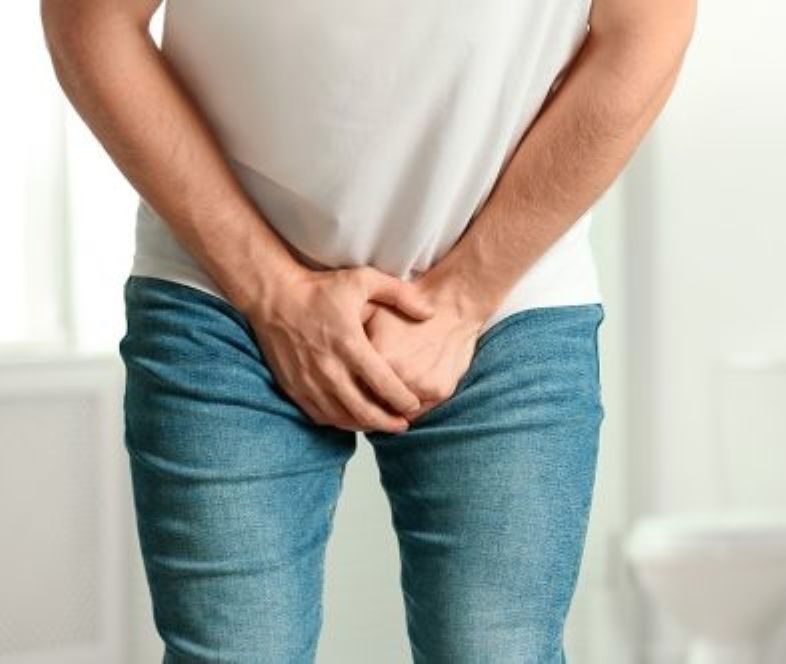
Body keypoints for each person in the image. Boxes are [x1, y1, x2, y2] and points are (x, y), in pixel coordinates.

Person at [40, 0, 694, 661]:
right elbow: (89, 23)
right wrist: (271, 292)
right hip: (221, 292)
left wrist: (467, 295)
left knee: (499, 652)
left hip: (508, 298)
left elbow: (647, 32)